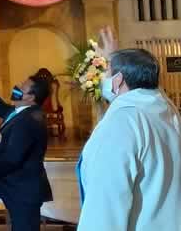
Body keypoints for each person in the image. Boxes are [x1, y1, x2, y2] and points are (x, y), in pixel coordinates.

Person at [77, 27, 181, 230]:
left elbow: (105, 206)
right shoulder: (166, 108)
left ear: (118, 80)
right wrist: (113, 59)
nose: (103, 80)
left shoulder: (121, 122)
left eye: (107, 74)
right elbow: (125, 93)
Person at [0, 61, 53, 231]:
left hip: (23, 191)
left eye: (22, 87)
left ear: (31, 97)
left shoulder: (29, 120)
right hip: (20, 189)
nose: (18, 87)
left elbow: (12, 159)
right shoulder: (22, 112)